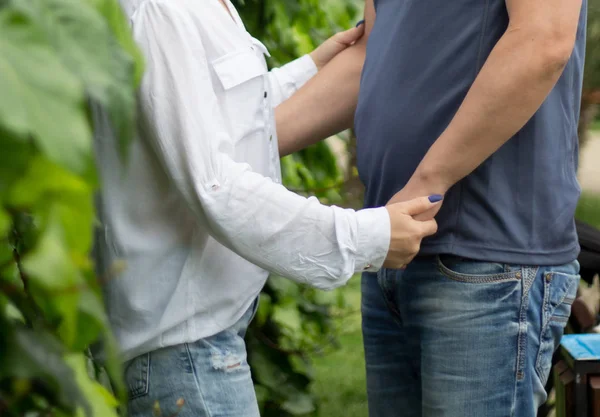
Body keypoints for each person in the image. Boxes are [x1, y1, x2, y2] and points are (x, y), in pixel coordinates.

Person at [92, 0, 440, 415]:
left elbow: (215, 116)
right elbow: (215, 185)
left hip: (199, 348)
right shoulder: (161, 11)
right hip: (184, 354)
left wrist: (310, 68)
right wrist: (367, 238)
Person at [354, 0, 587, 416]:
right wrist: (221, 153)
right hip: (391, 252)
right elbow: (368, 54)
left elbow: (543, 39)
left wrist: (427, 186)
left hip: (485, 262)